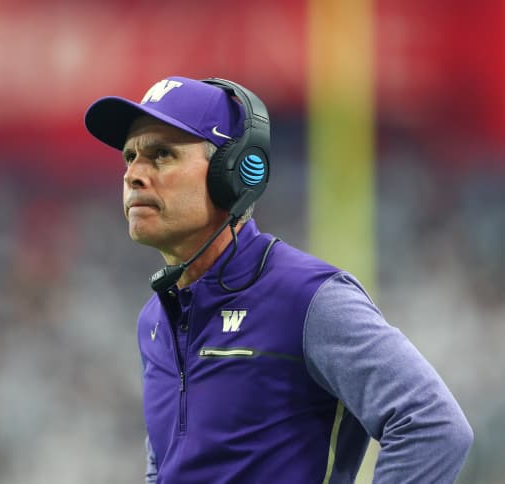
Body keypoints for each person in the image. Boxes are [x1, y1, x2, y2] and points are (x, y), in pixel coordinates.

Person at [84, 76, 473, 483]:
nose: (134, 174)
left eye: (162, 154)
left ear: (232, 173)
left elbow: (433, 425)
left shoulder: (306, 299)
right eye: (130, 157)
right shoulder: (155, 319)